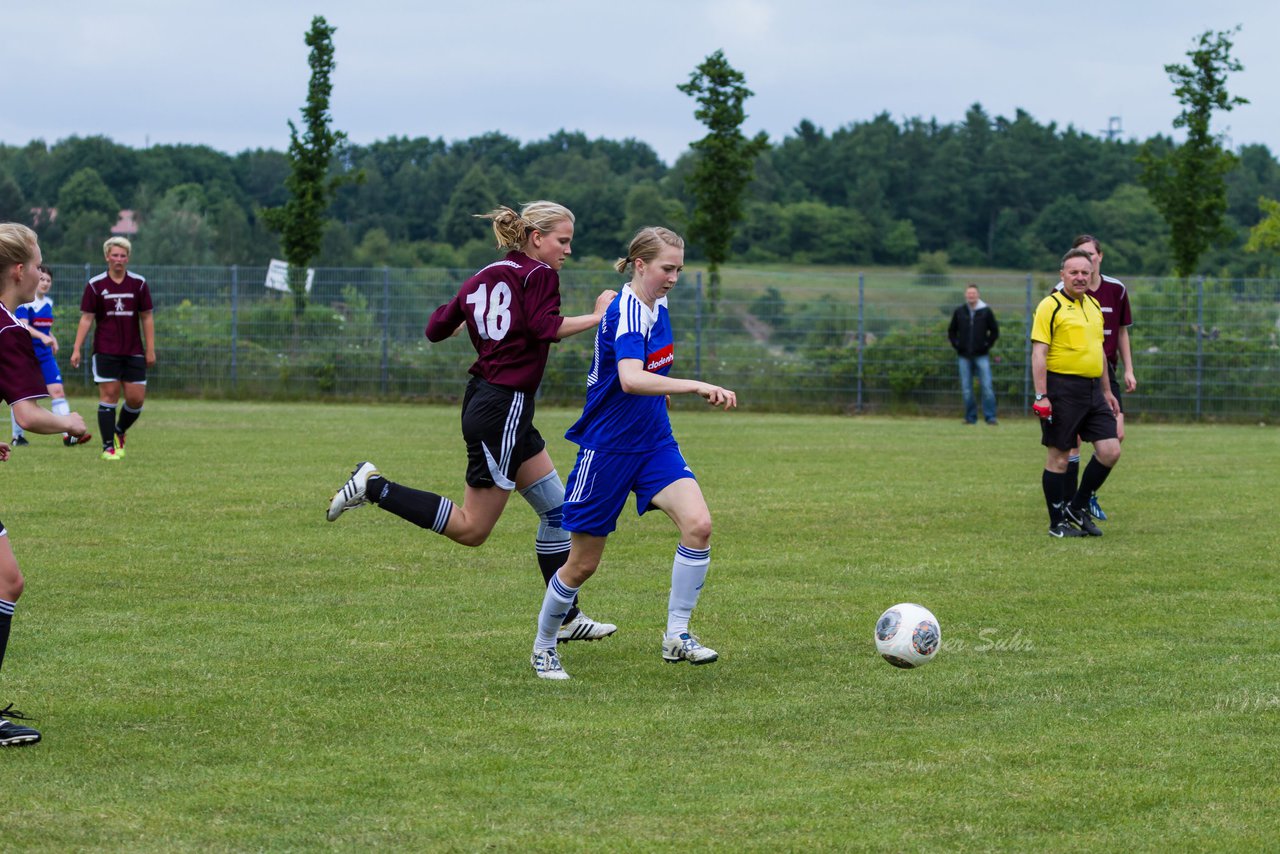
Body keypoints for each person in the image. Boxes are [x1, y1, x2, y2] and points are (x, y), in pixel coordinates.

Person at [327, 201, 619, 644]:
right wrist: (598, 317)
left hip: (497, 405)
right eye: (563, 240)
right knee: (473, 529)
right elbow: (546, 328)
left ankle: (565, 618)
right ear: (536, 238)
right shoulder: (539, 275)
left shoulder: (486, 273)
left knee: (559, 513)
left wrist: (476, 320)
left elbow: (434, 329)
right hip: (502, 408)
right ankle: (374, 487)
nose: (568, 250)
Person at [529, 226, 737, 681]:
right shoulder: (627, 311)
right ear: (640, 264)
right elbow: (630, 377)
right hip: (607, 449)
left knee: (699, 525)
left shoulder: (656, 304)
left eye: (680, 269)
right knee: (582, 564)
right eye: (667, 268)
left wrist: (660, 399)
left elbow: (648, 377)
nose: (674, 278)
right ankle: (544, 647)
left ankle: (676, 636)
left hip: (654, 444)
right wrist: (695, 384)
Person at [0, 223, 89, 746]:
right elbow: (31, 416)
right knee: (7, 583)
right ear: (18, 270)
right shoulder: (9, 332)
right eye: (37, 263)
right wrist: (73, 422)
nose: (41, 272)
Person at [1031, 248, 1121, 538]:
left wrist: (1107, 390)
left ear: (1092, 274)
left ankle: (1077, 506)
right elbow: (1039, 353)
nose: (1080, 277)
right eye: (1074, 272)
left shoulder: (1094, 306)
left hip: (1094, 390)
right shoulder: (1050, 305)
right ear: (1062, 275)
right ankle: (1057, 524)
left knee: (1110, 450)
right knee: (1058, 457)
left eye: (1085, 272)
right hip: (1062, 390)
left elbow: (1100, 353)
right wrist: (1041, 396)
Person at [1056, 235, 1135, 521]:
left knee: (1116, 436)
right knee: (1072, 442)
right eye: (1080, 257)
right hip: (1073, 377)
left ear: (1099, 257)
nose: (1086, 262)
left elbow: (1122, 331)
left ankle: (1083, 497)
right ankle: (1071, 503)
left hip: (1105, 372)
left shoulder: (1116, 289)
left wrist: (1128, 369)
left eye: (1091, 255)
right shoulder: (1062, 293)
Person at [70, 237, 155, 462]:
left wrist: (150, 349)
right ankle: (108, 447)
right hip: (106, 349)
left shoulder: (139, 284)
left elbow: (146, 317)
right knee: (109, 396)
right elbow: (87, 319)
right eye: (115, 255)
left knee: (136, 399)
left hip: (133, 350)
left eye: (123, 255)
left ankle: (119, 431)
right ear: (107, 256)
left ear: (128, 258)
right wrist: (77, 348)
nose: (119, 259)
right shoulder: (95, 285)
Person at [9, 265, 92, 448]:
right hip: (28, 355)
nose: (45, 283)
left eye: (48, 280)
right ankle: (18, 437)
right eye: (42, 279)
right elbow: (23, 327)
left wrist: (51, 337)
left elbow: (45, 328)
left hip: (45, 356)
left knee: (57, 392)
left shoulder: (48, 303)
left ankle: (68, 435)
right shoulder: (24, 303)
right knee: (23, 398)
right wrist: (42, 336)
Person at [947, 283, 1000, 425]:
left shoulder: (986, 311)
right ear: (966, 295)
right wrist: (957, 345)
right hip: (963, 356)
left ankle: (990, 417)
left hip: (981, 355)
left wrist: (986, 345)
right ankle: (970, 418)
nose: (971, 295)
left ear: (978, 295)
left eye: (974, 293)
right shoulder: (960, 311)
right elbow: (951, 331)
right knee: (966, 389)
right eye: (969, 293)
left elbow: (994, 331)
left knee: (987, 387)